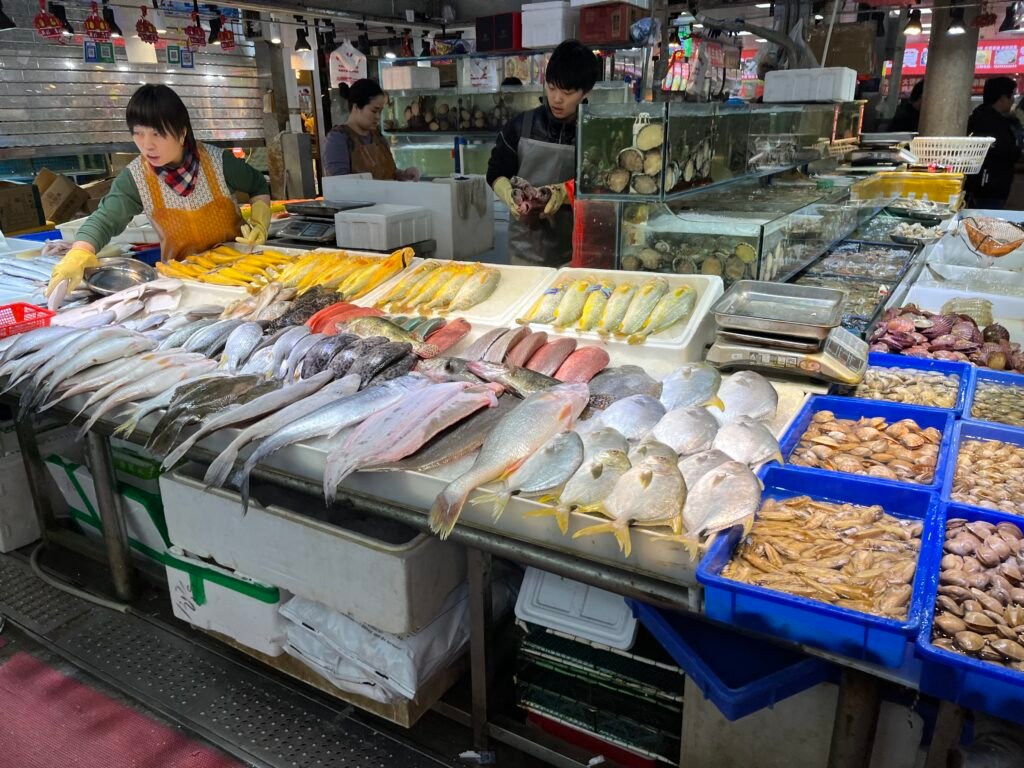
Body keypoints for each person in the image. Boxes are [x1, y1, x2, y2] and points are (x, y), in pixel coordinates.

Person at [46, 84, 271, 296]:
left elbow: (258, 185)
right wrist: (80, 252)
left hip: (243, 268)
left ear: (182, 133)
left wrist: (260, 221)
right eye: (138, 133)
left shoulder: (218, 163)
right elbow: (105, 219)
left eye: (157, 134)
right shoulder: (135, 178)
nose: (147, 144)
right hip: (184, 281)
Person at [487, 40, 601, 267]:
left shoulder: (595, 133)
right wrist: (509, 196)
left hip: (575, 252)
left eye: (567, 92)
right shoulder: (521, 126)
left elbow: (601, 186)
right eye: (551, 87)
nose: (557, 98)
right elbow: (496, 171)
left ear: (585, 92)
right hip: (524, 252)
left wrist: (563, 194)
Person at [323, 79, 418, 180]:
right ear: (356, 107)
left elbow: (389, 173)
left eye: (380, 111)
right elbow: (339, 184)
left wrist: (403, 174)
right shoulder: (338, 138)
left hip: (386, 195)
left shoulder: (378, 136)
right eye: (374, 111)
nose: (378, 116)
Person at [967, 76, 1021, 210]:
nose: (1013, 99)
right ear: (1002, 98)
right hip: (988, 186)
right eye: (1011, 96)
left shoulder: (984, 116)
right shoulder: (989, 122)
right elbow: (1004, 150)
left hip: (989, 185)